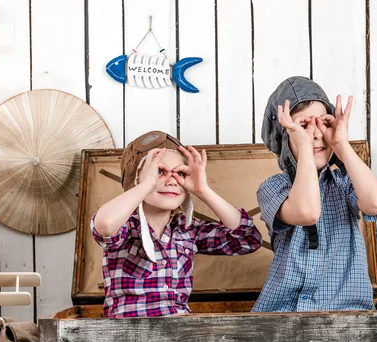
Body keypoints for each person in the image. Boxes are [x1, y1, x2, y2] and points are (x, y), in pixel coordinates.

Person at [252, 76, 377, 312]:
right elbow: (307, 212)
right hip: (284, 313)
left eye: (322, 123)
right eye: (303, 126)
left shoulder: (344, 182)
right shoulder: (273, 188)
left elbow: (375, 203)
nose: (314, 134)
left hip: (346, 311)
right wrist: (304, 147)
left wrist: (341, 145)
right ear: (284, 138)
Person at [91, 131, 262, 318]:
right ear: (136, 180)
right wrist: (147, 184)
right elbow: (105, 225)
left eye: (180, 173)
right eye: (159, 171)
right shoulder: (125, 225)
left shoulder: (187, 230)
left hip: (180, 332)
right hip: (128, 334)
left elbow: (247, 239)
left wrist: (203, 191)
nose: (171, 180)